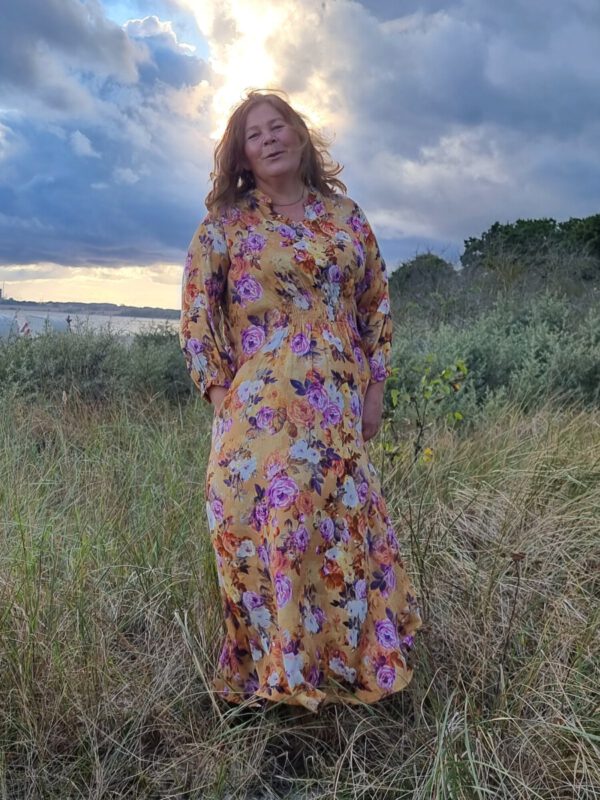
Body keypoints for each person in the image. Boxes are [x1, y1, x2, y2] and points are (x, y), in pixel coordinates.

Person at [179, 90, 422, 713]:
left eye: (277, 124)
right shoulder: (224, 227)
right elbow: (197, 317)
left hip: (335, 405)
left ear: (299, 133)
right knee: (242, 520)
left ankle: (337, 674)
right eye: (253, 133)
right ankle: (271, 672)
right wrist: (218, 396)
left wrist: (376, 391)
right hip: (253, 409)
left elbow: (375, 307)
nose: (268, 137)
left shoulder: (345, 218)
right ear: (241, 155)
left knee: (330, 531)